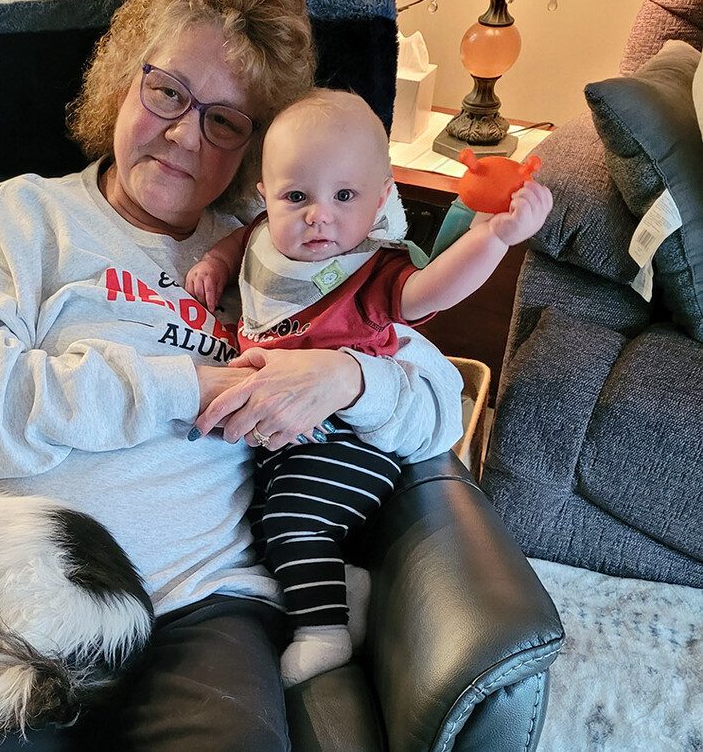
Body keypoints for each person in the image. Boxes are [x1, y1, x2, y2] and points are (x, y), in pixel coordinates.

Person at [0, 0, 464, 750]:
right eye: (167, 90)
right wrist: (181, 387)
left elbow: (441, 407)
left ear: (258, 154)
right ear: (124, 75)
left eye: (225, 121)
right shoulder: (25, 217)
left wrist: (344, 375)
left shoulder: (284, 255)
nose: (182, 136)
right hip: (14, 598)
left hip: (205, 607)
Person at [184, 87, 553, 686]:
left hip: (352, 441)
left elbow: (433, 290)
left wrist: (494, 238)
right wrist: (217, 266)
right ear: (266, 197)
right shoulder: (263, 235)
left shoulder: (373, 272)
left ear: (382, 198)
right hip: (288, 440)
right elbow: (242, 244)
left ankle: (324, 631)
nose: (318, 216)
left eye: (345, 196)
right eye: (296, 196)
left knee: (289, 521)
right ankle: (343, 581)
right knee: (264, 516)